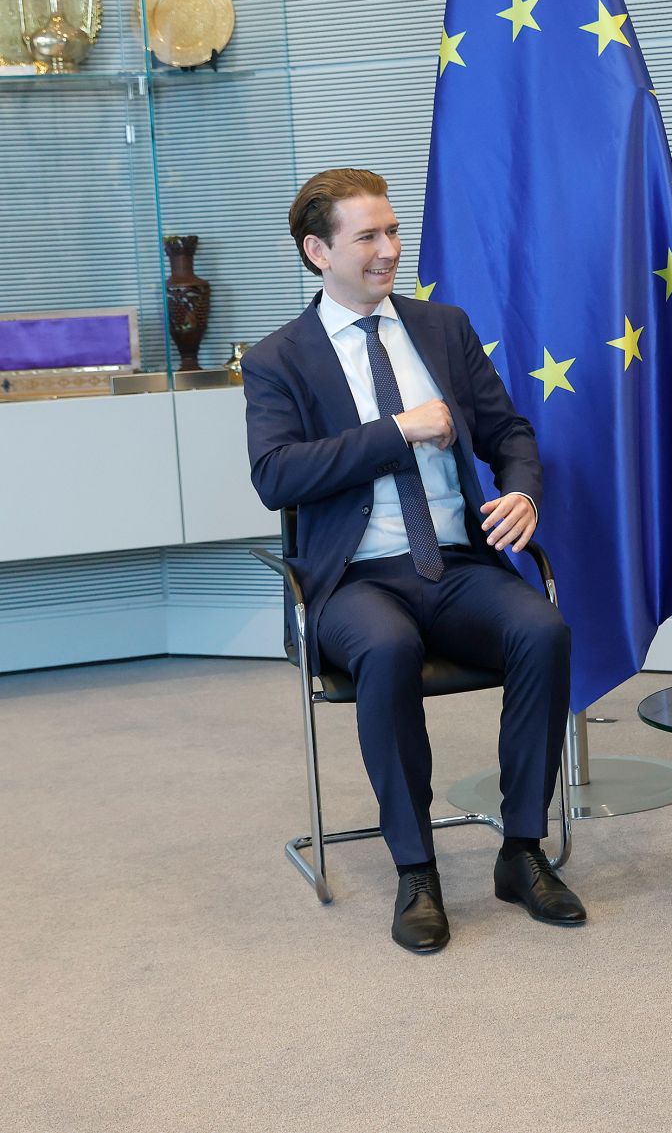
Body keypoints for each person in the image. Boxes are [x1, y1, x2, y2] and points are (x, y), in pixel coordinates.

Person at [243, 167, 582, 954]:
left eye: (393, 230)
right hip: (353, 578)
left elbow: (510, 434)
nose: (390, 249)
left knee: (544, 632)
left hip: (456, 565)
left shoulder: (442, 328)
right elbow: (276, 475)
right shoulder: (279, 360)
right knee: (388, 651)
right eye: (368, 236)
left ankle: (521, 849)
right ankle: (416, 868)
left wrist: (523, 493)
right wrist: (396, 430)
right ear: (317, 251)